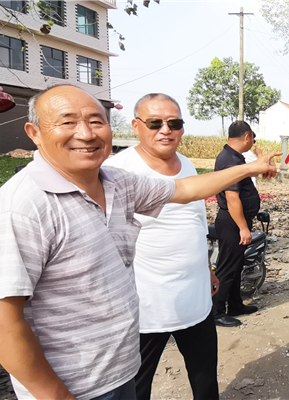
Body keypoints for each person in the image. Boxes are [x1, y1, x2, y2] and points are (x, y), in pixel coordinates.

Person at [0, 85, 278, 400]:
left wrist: (251, 167)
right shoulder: (22, 207)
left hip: (121, 365)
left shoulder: (116, 183)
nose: (85, 133)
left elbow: (185, 191)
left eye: (96, 121)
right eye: (67, 122)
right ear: (34, 133)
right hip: (78, 385)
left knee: (200, 376)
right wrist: (56, 396)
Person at [103, 93, 219, 400]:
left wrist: (208, 268)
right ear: (136, 126)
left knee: (206, 378)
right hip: (146, 306)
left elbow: (197, 223)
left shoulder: (188, 165)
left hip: (195, 299)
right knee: (136, 387)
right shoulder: (116, 171)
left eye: (174, 123)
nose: (165, 130)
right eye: (155, 123)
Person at [212, 121, 262, 328]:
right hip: (232, 221)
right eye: (253, 139)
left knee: (236, 265)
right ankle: (216, 311)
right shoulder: (231, 161)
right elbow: (232, 199)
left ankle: (234, 304)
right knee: (226, 267)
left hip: (235, 220)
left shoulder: (233, 157)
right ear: (247, 136)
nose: (253, 143)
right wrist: (243, 227)